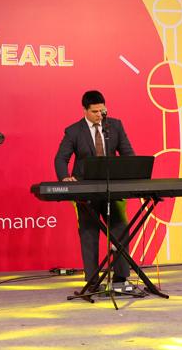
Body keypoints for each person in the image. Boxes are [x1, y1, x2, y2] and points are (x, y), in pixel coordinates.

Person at [54, 90, 134, 293]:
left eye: (102, 110)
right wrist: (65, 178)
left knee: (120, 229)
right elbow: (60, 159)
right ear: (85, 111)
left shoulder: (114, 126)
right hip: (86, 192)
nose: (100, 115)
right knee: (89, 233)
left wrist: (130, 174)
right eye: (95, 111)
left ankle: (120, 280)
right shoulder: (73, 131)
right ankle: (92, 281)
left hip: (111, 189)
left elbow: (128, 154)